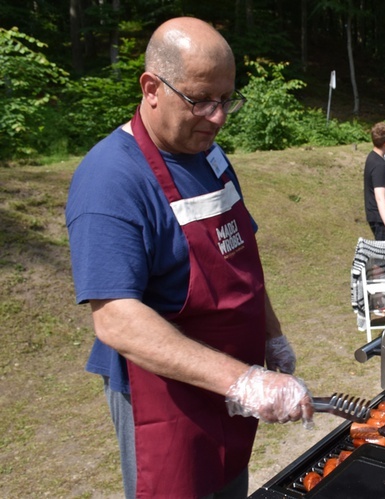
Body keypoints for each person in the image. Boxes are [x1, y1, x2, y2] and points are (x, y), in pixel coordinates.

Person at [65, 17, 313, 498]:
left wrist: (272, 335)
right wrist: (242, 380)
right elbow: (116, 319)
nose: (217, 117)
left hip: (228, 386)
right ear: (151, 87)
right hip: (167, 397)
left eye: (226, 100)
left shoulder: (212, 157)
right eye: (200, 100)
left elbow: (241, 260)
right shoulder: (111, 179)